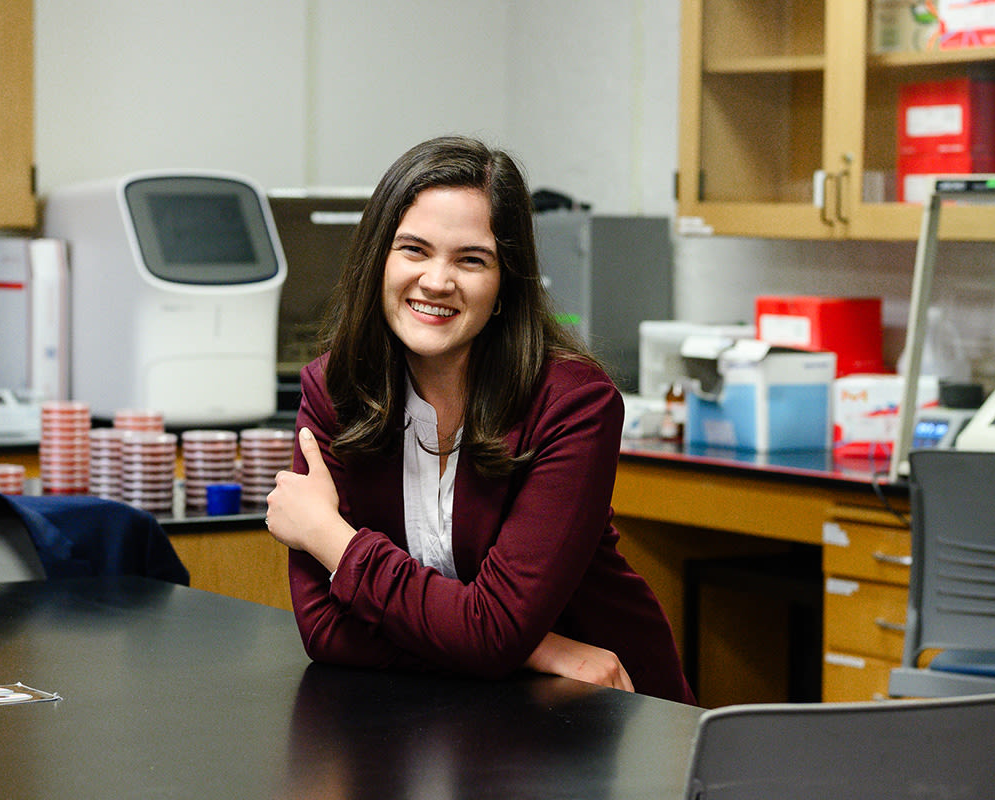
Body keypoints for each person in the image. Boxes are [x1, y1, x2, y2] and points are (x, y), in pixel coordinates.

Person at [264, 135, 693, 704]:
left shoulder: (573, 405)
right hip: (461, 716)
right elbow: (325, 630)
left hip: (604, 718)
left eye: (471, 259)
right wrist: (541, 649)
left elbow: (494, 632)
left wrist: (329, 538)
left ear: (505, 283)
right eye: (414, 249)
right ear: (378, 259)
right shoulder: (334, 392)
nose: (437, 281)